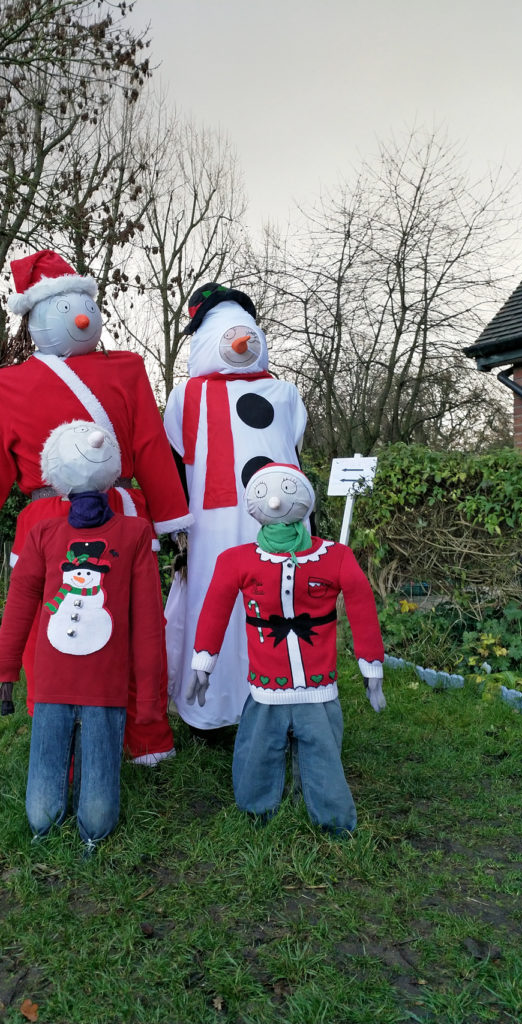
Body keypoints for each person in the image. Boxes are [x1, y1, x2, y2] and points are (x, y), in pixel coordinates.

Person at [0, 249, 192, 763]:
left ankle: (146, 735)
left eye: (84, 303)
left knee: (140, 630)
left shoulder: (128, 370)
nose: (81, 316)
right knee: (53, 632)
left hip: (122, 515)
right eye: (65, 305)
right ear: (34, 318)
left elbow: (154, 448)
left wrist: (172, 516)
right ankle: (59, 737)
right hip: (47, 521)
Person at [0, 421, 165, 854]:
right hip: (51, 682)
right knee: (42, 810)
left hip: (106, 686)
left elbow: (148, 623)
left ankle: (92, 832)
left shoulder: (135, 534)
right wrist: (5, 670)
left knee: (99, 815)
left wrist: (148, 699)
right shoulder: (44, 535)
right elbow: (19, 607)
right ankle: (48, 824)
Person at [186, 463, 386, 834]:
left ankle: (332, 818)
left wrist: (371, 667)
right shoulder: (236, 560)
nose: (274, 500)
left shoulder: (336, 557)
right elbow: (214, 608)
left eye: (283, 491)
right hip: (266, 686)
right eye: (262, 494)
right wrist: (203, 662)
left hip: (318, 685)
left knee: (324, 752)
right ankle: (256, 809)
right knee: (256, 749)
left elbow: (361, 607)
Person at [163, 283, 307, 739]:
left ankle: (279, 699)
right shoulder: (186, 396)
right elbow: (173, 462)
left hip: (278, 524)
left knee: (277, 602)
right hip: (211, 530)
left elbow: (296, 454)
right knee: (215, 604)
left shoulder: (285, 393)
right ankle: (213, 708)